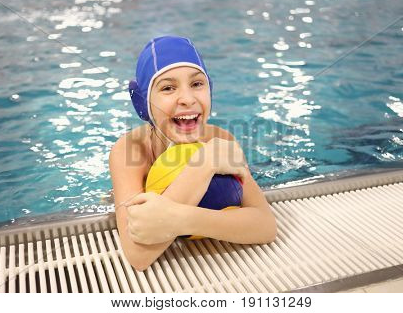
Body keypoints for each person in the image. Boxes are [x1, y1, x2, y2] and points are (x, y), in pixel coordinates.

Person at [109, 36, 277, 271]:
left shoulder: (222, 141)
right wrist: (204, 163)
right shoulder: (130, 150)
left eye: (197, 84)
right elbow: (138, 255)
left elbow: (266, 226)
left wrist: (181, 219)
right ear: (143, 102)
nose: (188, 99)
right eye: (168, 88)